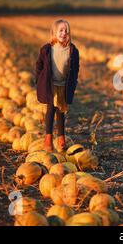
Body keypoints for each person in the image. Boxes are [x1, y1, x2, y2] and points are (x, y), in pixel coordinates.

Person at [35, 19, 80, 152]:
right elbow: (39, 65)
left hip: (63, 85)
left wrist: (74, 81)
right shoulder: (47, 49)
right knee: (51, 110)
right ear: (54, 32)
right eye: (61, 30)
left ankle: (61, 138)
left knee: (61, 111)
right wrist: (38, 79)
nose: (64, 33)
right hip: (51, 84)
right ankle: (48, 138)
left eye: (66, 30)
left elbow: (76, 67)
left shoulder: (72, 50)